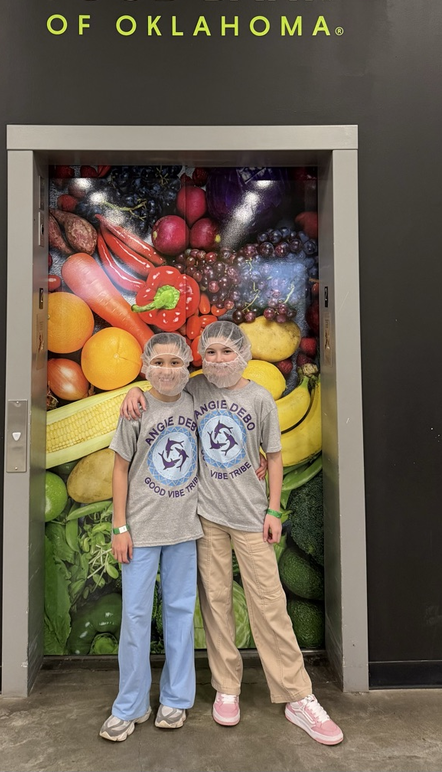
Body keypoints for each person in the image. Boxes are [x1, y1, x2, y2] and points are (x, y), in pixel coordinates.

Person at [120, 320, 344, 747]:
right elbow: (161, 388)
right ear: (202, 356)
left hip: (251, 518)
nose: (219, 359)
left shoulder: (259, 398)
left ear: (242, 354)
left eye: (227, 351)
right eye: (212, 352)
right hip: (206, 518)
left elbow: (273, 457)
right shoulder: (195, 388)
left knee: (270, 604)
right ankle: (227, 686)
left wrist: (273, 509)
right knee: (216, 604)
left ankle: (298, 696)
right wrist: (133, 389)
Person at [99, 332, 201, 743]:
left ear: (188, 366)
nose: (167, 370)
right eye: (159, 362)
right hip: (140, 530)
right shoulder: (136, 408)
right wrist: (119, 527)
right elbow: (120, 469)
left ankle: (176, 698)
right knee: (136, 618)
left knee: (180, 614)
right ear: (145, 366)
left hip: (184, 528)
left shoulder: (195, 402)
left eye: (176, 362)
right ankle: (130, 704)